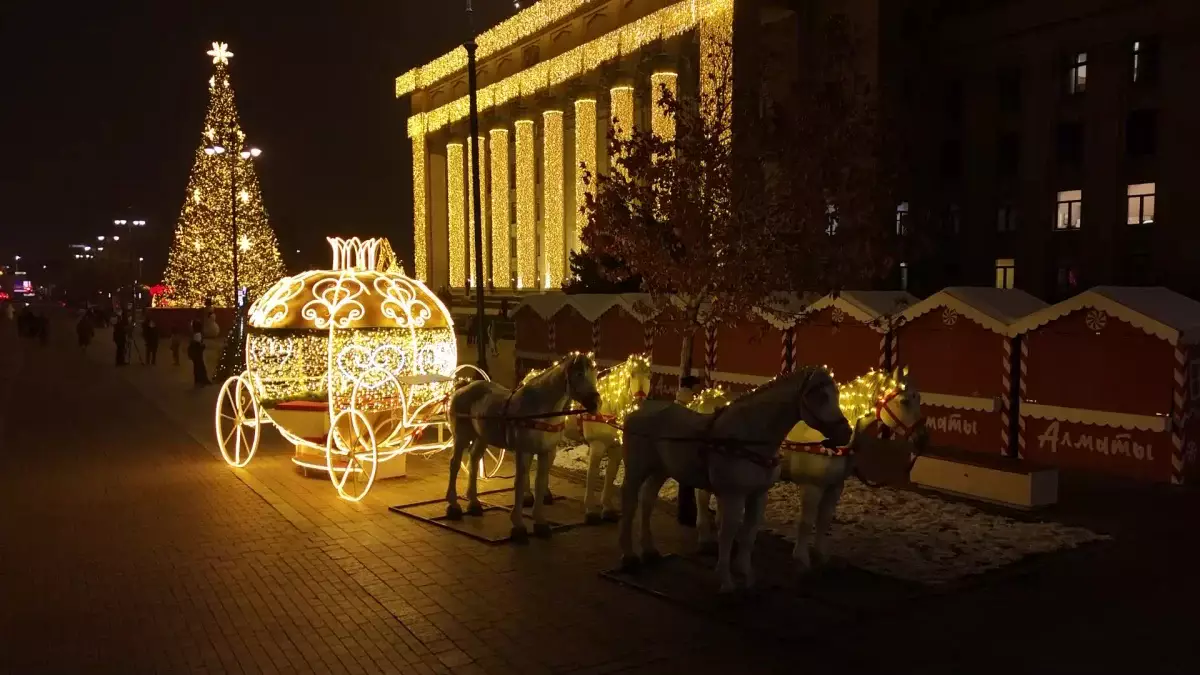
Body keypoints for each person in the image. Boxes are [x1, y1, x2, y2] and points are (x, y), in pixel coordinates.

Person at [188, 319, 210, 386]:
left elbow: (196, 345)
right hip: (197, 355)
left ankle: (199, 380)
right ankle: (201, 380)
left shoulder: (196, 335)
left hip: (196, 355)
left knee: (197, 367)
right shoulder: (197, 335)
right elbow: (198, 345)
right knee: (199, 367)